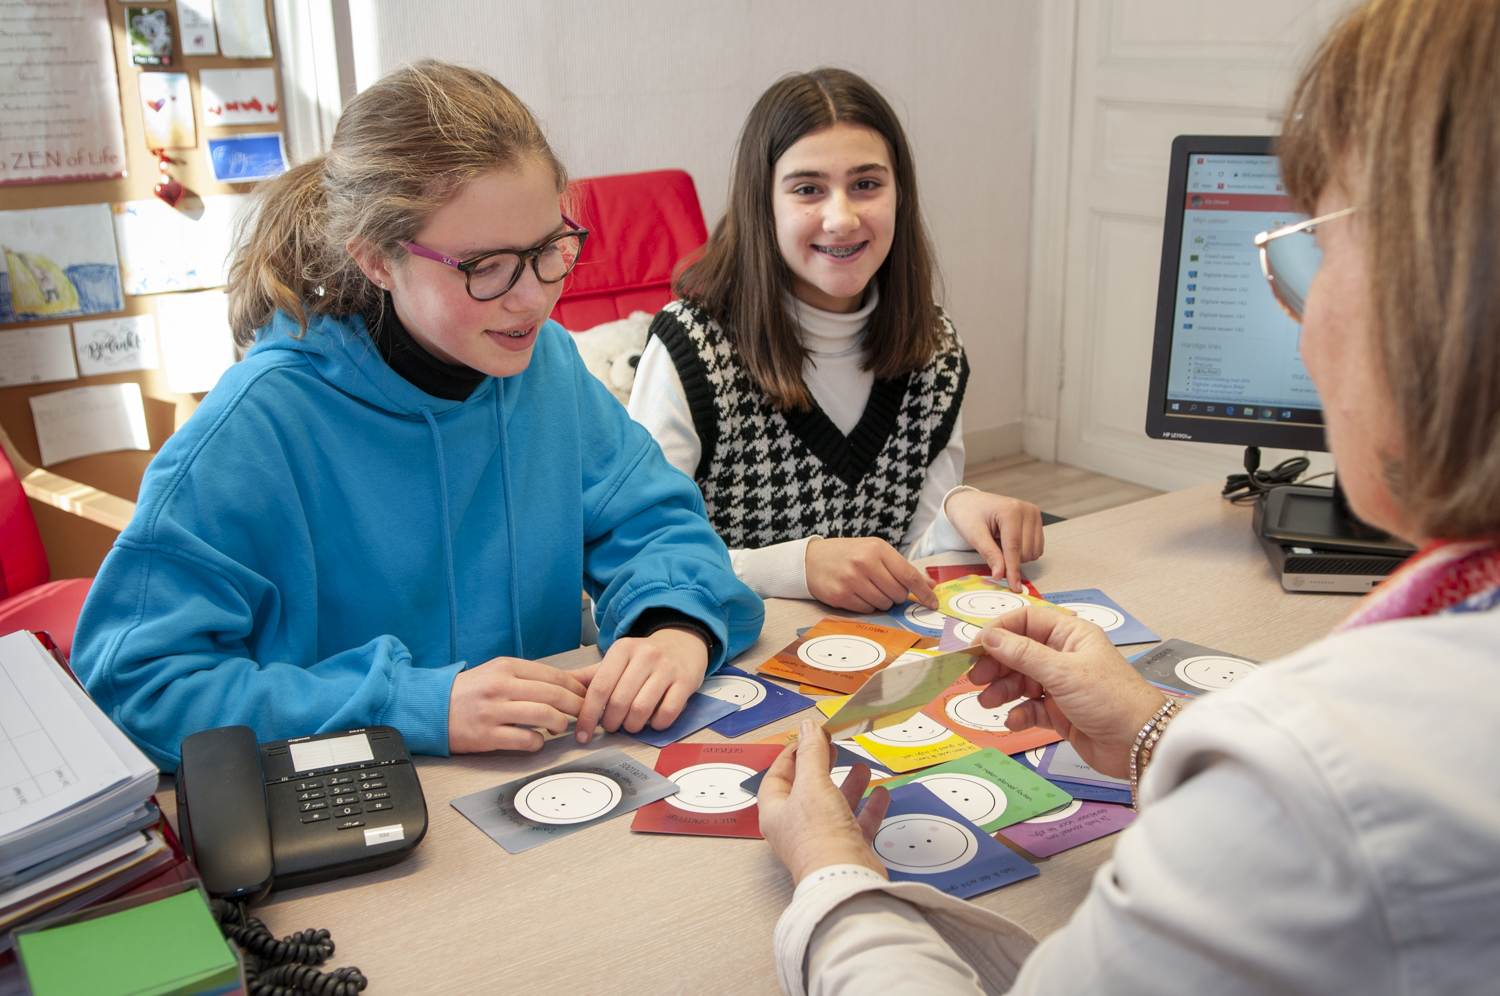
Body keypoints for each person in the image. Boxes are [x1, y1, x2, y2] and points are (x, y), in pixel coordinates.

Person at [756, 1, 1500, 992]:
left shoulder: (1315, 776)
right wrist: (1154, 728)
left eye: (1317, 250)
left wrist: (837, 881)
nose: (1303, 316)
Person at [70, 61, 763, 770]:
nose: (532, 300)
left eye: (551, 250)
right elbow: (139, 684)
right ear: (375, 259)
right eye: (485, 267)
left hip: (547, 785)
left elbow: (655, 526)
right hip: (368, 820)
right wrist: (412, 705)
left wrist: (673, 623)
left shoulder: (544, 365)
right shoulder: (257, 426)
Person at [628, 69, 1044, 613]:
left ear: (900, 196)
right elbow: (640, 559)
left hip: (874, 666)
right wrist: (797, 566)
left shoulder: (934, 347)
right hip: (736, 663)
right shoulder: (692, 347)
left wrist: (961, 516)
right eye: (807, 189)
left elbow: (913, 557)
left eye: (866, 185)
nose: (841, 218)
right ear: (764, 204)